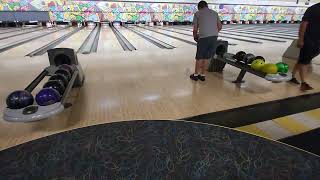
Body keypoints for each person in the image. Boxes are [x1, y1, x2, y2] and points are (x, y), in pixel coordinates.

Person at [290, 3, 320, 91]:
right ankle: (304, 83)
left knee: (304, 59)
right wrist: (301, 39)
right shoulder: (313, 8)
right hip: (309, 39)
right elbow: (304, 24)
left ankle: (292, 76)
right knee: (304, 61)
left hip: (318, 41)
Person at [190, 0, 222, 81]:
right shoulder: (215, 13)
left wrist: (195, 36)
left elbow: (195, 28)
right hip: (214, 37)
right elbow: (220, 26)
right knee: (207, 57)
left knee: (199, 57)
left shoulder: (197, 13)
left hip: (204, 37)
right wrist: (213, 33)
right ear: (207, 6)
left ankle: (196, 75)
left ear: (199, 7)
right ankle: (203, 75)